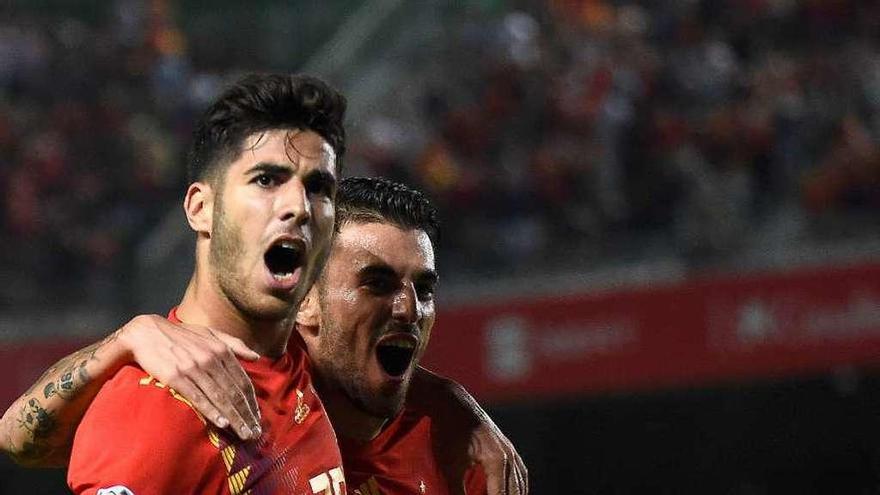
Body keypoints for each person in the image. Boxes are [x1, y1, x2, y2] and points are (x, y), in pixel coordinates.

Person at [1, 176, 528, 494]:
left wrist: (459, 403)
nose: (410, 308)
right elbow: (18, 438)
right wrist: (124, 341)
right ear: (305, 303)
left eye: (424, 288)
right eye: (377, 283)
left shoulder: (457, 449)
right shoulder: (215, 401)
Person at [2, 73, 350, 494]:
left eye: (319, 188)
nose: (298, 206)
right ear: (201, 209)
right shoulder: (157, 412)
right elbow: (14, 440)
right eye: (266, 180)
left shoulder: (316, 364)